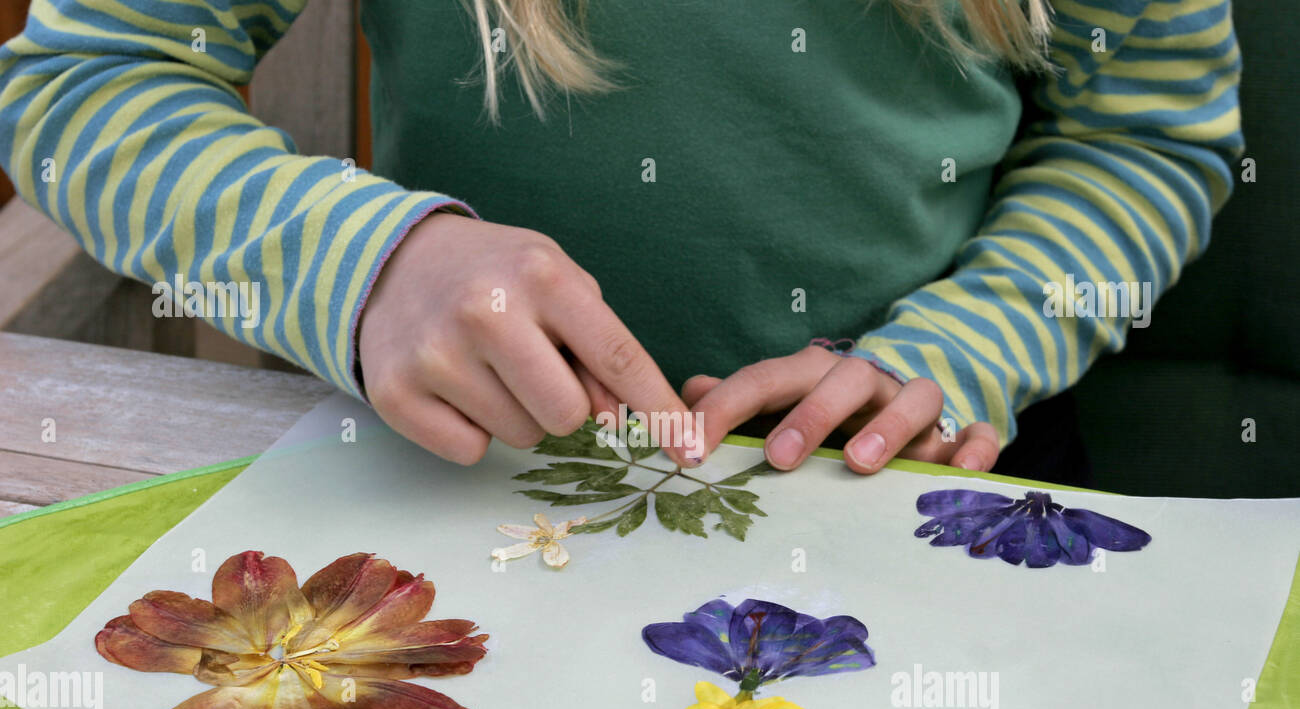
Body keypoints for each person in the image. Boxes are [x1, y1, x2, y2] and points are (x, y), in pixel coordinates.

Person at [0, 1, 1242, 486]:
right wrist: (369, 263)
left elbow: (1148, 144)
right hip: (451, 482)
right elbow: (84, 80)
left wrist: (968, 348)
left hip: (911, 480)